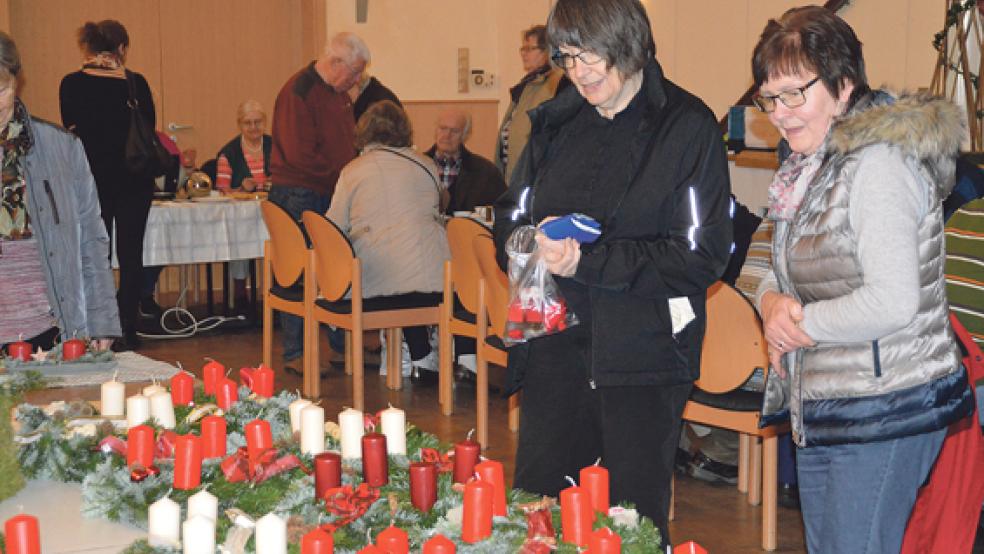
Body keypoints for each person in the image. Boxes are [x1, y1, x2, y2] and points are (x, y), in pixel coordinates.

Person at [492, 0, 732, 544]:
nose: (580, 71)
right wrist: (531, 241)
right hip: (554, 344)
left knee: (633, 524)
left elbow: (702, 254)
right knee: (540, 510)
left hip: (643, 358)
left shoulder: (686, 126)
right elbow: (509, 214)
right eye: (568, 56)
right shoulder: (559, 120)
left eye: (593, 53)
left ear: (631, 43)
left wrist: (588, 260)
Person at [751, 7, 973, 552]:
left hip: (885, 408)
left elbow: (893, 301)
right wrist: (771, 299)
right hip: (828, 401)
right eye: (768, 97)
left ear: (844, 85)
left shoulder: (878, 165)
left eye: (794, 94)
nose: (779, 113)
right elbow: (760, 255)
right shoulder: (807, 165)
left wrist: (798, 322)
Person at [0, 31, 120, 354]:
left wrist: (101, 319)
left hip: (52, 332)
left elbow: (92, 238)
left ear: (16, 83)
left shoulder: (62, 147)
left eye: (1, 89)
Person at [268, 32, 369, 372]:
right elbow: (300, 157)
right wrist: (342, 179)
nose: (358, 80)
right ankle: (297, 354)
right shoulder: (300, 92)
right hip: (300, 193)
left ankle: (340, 345)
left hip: (329, 191)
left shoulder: (339, 94)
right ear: (336, 62)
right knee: (297, 273)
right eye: (355, 72)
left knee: (333, 267)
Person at [326, 100, 449, 377]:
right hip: (434, 283)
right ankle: (421, 353)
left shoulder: (353, 171)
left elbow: (332, 229)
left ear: (363, 131)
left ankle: (407, 353)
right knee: (408, 266)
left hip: (378, 288)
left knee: (388, 269)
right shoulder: (427, 164)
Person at [59, 19, 155, 351]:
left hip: (92, 183)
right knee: (131, 257)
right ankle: (128, 327)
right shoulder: (136, 83)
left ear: (88, 48)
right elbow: (149, 129)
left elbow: (68, 136)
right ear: (122, 49)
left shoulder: (70, 84)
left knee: (97, 255)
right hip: (135, 182)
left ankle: (99, 329)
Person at [495, 24, 567, 182]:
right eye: (523, 49)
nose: (524, 54)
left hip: (536, 176)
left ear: (547, 51)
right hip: (513, 173)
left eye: (530, 49)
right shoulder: (525, 86)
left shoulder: (557, 83)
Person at [424, 108, 505, 215]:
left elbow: (499, 211)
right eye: (443, 128)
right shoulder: (417, 166)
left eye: (454, 131)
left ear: (465, 135)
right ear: (435, 130)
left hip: (468, 231)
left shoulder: (486, 173)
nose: (447, 135)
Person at [215, 99, 272, 193]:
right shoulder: (228, 154)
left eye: (258, 122)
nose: (253, 127)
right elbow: (222, 195)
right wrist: (242, 190)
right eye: (247, 123)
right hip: (241, 208)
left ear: (265, 122)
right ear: (239, 125)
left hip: (273, 207)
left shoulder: (277, 148)